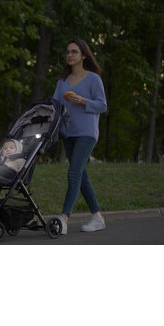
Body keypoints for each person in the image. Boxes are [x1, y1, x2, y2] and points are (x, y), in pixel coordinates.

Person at [53, 38, 107, 234]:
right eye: (68, 52)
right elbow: (55, 105)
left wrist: (83, 100)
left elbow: (102, 105)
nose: (70, 55)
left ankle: (64, 218)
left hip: (86, 133)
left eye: (74, 52)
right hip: (68, 133)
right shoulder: (62, 82)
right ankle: (98, 218)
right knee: (81, 175)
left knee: (73, 173)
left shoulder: (93, 79)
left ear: (84, 55)